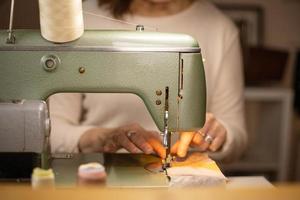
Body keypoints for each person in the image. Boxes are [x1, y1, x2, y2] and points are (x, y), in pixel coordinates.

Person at [49, 0, 247, 162]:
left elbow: (236, 135)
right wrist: (103, 137)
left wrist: (219, 134)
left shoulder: (220, 29)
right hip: (98, 176)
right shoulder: (79, 23)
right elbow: (51, 130)